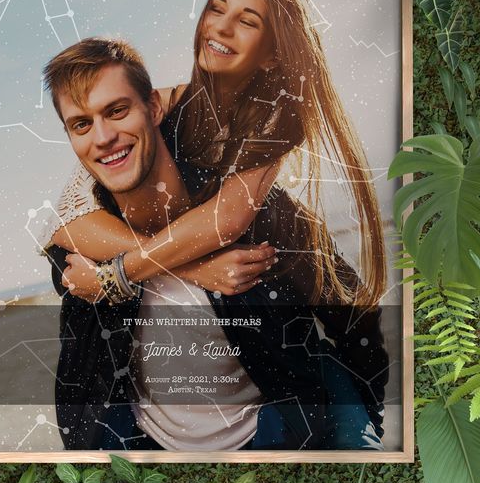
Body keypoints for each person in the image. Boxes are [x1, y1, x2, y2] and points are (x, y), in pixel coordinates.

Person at [43, 37, 388, 451]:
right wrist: (194, 267)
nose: (102, 137)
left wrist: (367, 418)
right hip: (145, 442)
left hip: (276, 430)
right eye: (81, 124)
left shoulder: (264, 215)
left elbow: (353, 315)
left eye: (117, 111)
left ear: (154, 108)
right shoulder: (81, 248)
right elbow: (80, 373)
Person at [44, 0, 386, 311]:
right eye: (217, 8)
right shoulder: (154, 107)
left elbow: (224, 222)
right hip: (183, 237)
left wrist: (113, 276)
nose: (221, 27)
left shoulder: (280, 119)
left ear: (272, 55)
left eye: (247, 21)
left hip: (273, 226)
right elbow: (65, 223)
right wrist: (198, 270)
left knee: (348, 300)